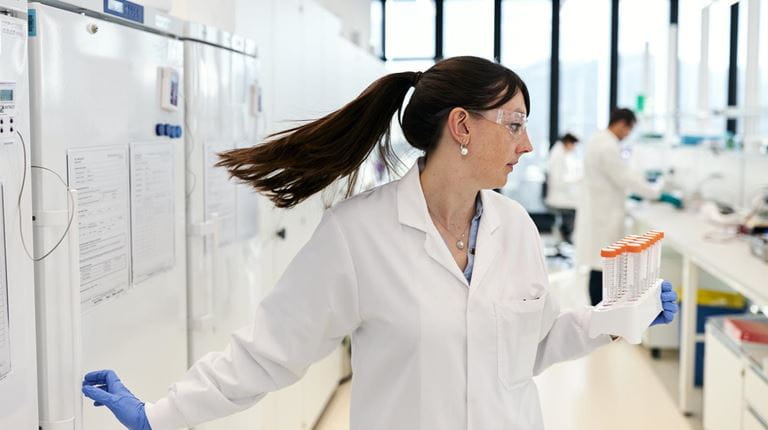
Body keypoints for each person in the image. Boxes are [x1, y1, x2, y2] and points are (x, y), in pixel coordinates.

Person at [82, 57, 679, 430]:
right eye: (515, 123)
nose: (526, 145)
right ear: (463, 126)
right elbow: (269, 352)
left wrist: (616, 317)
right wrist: (160, 415)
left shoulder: (515, 227)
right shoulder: (359, 234)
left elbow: (537, 344)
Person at [575, 108, 682, 306]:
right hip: (604, 214)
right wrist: (657, 193)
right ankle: (600, 312)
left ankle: (599, 310)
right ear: (622, 124)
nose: (627, 135)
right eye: (628, 130)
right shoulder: (607, 146)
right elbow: (624, 177)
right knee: (602, 267)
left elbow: (617, 177)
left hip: (601, 209)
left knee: (600, 266)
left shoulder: (598, 140)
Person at [545, 133, 581, 244]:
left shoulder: (559, 153)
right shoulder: (558, 155)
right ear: (568, 143)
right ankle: (566, 238)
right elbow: (559, 181)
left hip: (558, 194)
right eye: (573, 145)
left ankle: (565, 238)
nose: (574, 149)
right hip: (557, 197)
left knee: (577, 203)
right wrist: (576, 179)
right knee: (576, 206)